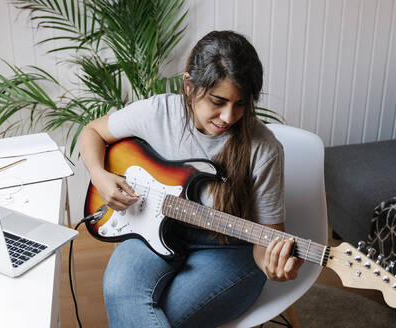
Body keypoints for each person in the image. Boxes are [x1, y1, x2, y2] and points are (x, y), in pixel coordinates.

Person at [79, 30, 303, 328]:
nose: (228, 116)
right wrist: (100, 174)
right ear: (189, 85)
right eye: (218, 101)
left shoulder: (264, 149)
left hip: (227, 248)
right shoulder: (158, 113)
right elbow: (91, 132)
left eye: (240, 104)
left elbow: (268, 238)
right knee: (120, 292)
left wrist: (273, 264)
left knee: (160, 315)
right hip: (153, 228)